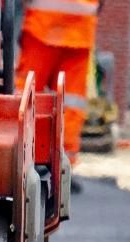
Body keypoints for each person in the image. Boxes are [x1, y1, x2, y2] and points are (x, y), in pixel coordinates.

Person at [16, 0, 101, 161]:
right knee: (70, 103)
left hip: (42, 26)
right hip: (80, 31)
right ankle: (65, 163)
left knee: (26, 96)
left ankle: (23, 154)